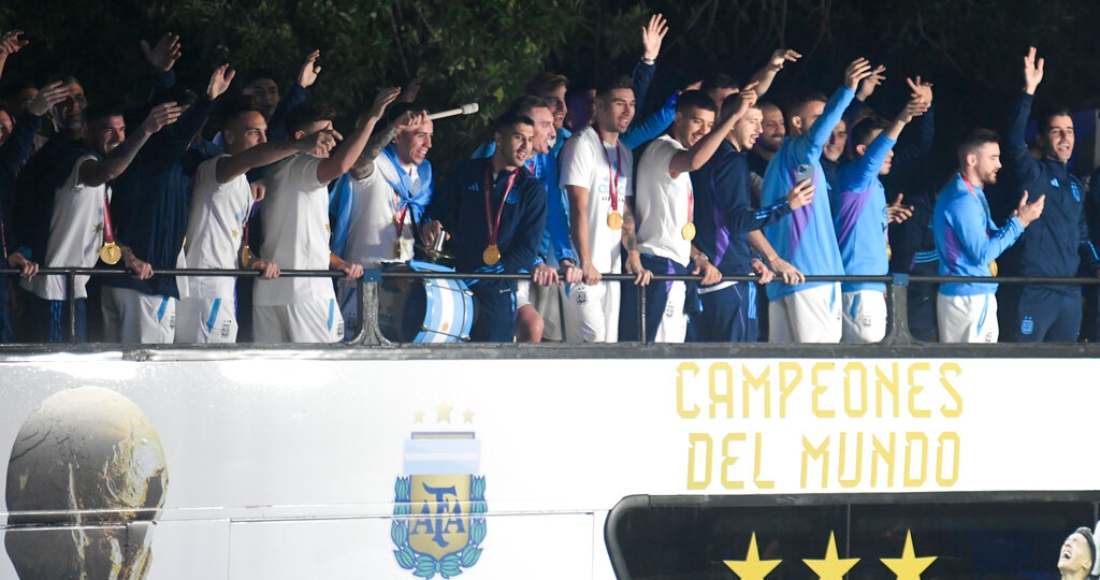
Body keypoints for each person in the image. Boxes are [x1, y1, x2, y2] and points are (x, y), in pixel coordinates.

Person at [14, 102, 181, 342]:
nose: (118, 137)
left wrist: (127, 256)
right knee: (59, 367)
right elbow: (107, 171)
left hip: (74, 288)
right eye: (108, 130)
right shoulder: (79, 163)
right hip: (53, 290)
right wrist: (145, 130)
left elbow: (100, 229)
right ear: (86, 132)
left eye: (123, 129)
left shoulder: (99, 171)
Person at [252, 88, 399, 343]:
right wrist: (372, 119)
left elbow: (302, 240)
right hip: (307, 294)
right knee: (327, 371)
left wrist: (338, 263)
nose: (332, 141)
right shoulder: (303, 167)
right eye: (325, 134)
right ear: (300, 138)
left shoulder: (275, 169)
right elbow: (343, 165)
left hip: (268, 294)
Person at [99, 62, 231, 344]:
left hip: (120, 279)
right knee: (146, 372)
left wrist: (162, 75)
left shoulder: (145, 158)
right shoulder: (159, 158)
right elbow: (175, 138)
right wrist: (208, 100)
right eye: (182, 118)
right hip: (145, 282)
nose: (189, 125)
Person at [177, 105, 331, 343]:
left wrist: (253, 261)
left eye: (265, 132)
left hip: (223, 289)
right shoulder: (216, 168)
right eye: (253, 132)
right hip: (204, 290)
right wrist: (299, 145)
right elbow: (252, 157)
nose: (263, 139)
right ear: (229, 136)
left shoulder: (245, 185)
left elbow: (235, 245)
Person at [628, 88, 761, 342]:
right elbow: (694, 160)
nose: (704, 130)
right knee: (658, 355)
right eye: (697, 121)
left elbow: (675, 224)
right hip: (660, 266)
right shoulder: (663, 149)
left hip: (676, 266)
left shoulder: (674, 154)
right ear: (678, 119)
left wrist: (698, 256)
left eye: (710, 125)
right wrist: (732, 120)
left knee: (675, 353)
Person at [759, 58, 874, 343]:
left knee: (787, 373)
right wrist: (848, 90)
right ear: (797, 123)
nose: (828, 124)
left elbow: (802, 204)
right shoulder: (800, 154)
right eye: (819, 119)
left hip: (786, 282)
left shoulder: (793, 166)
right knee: (820, 368)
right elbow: (814, 141)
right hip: (811, 278)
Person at [1000, 47, 1100, 342]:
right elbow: (1015, 141)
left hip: (1069, 294)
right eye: (1057, 131)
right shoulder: (1034, 174)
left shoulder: (1074, 186)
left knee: (1061, 377)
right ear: (1042, 139)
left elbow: (1082, 237)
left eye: (1069, 131)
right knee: (1024, 370)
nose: (1065, 137)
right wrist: (1028, 91)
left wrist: (1096, 266)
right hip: (1034, 291)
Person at [691, 97, 810, 343]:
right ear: (732, 123)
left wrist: (757, 257)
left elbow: (719, 219)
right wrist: (785, 205)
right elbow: (737, 221)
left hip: (707, 275)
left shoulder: (704, 157)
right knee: (739, 361)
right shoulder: (731, 160)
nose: (758, 129)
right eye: (753, 122)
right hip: (731, 278)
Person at [423, 112, 547, 342]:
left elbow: (529, 249)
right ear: (499, 138)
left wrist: (493, 272)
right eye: (519, 137)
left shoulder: (532, 189)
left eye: (530, 140)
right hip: (459, 281)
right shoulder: (469, 171)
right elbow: (437, 209)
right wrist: (431, 223)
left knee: (493, 360)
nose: (525, 146)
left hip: (498, 288)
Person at [831, 85, 927, 343]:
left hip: (871, 286)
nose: (891, 152)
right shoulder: (855, 175)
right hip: (857, 287)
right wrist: (904, 118)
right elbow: (875, 156)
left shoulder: (873, 186)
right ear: (863, 151)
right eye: (883, 146)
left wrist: (882, 215)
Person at [560, 75, 651, 343]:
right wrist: (585, 260)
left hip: (610, 268)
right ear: (599, 105)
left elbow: (625, 208)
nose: (628, 111)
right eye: (619, 103)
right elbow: (576, 206)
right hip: (581, 267)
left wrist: (632, 255)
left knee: (608, 347)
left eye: (632, 104)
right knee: (593, 342)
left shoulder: (625, 152)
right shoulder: (581, 145)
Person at [329, 103, 431, 340]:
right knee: (355, 351)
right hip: (362, 275)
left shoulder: (423, 174)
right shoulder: (375, 164)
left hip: (402, 278)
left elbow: (422, 214)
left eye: (430, 136)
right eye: (421, 136)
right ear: (397, 136)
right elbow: (357, 163)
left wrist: (431, 224)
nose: (428, 144)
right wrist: (392, 127)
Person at [933, 129, 1043, 343]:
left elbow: (990, 237)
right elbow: (983, 254)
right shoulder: (962, 199)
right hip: (968, 297)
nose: (999, 164)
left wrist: (1017, 220)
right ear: (971, 159)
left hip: (970, 295)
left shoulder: (973, 193)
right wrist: (1020, 222)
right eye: (993, 158)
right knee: (973, 371)